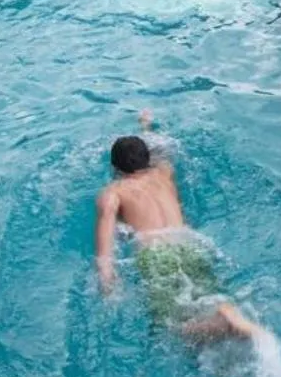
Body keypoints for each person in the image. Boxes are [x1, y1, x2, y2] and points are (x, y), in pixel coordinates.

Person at [94, 112, 267, 344]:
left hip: (156, 254)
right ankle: (225, 317)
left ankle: (222, 323)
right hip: (189, 244)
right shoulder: (164, 171)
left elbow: (105, 248)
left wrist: (107, 283)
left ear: (115, 167)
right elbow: (159, 147)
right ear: (147, 160)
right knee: (203, 298)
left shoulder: (113, 192)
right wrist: (145, 126)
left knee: (172, 328)